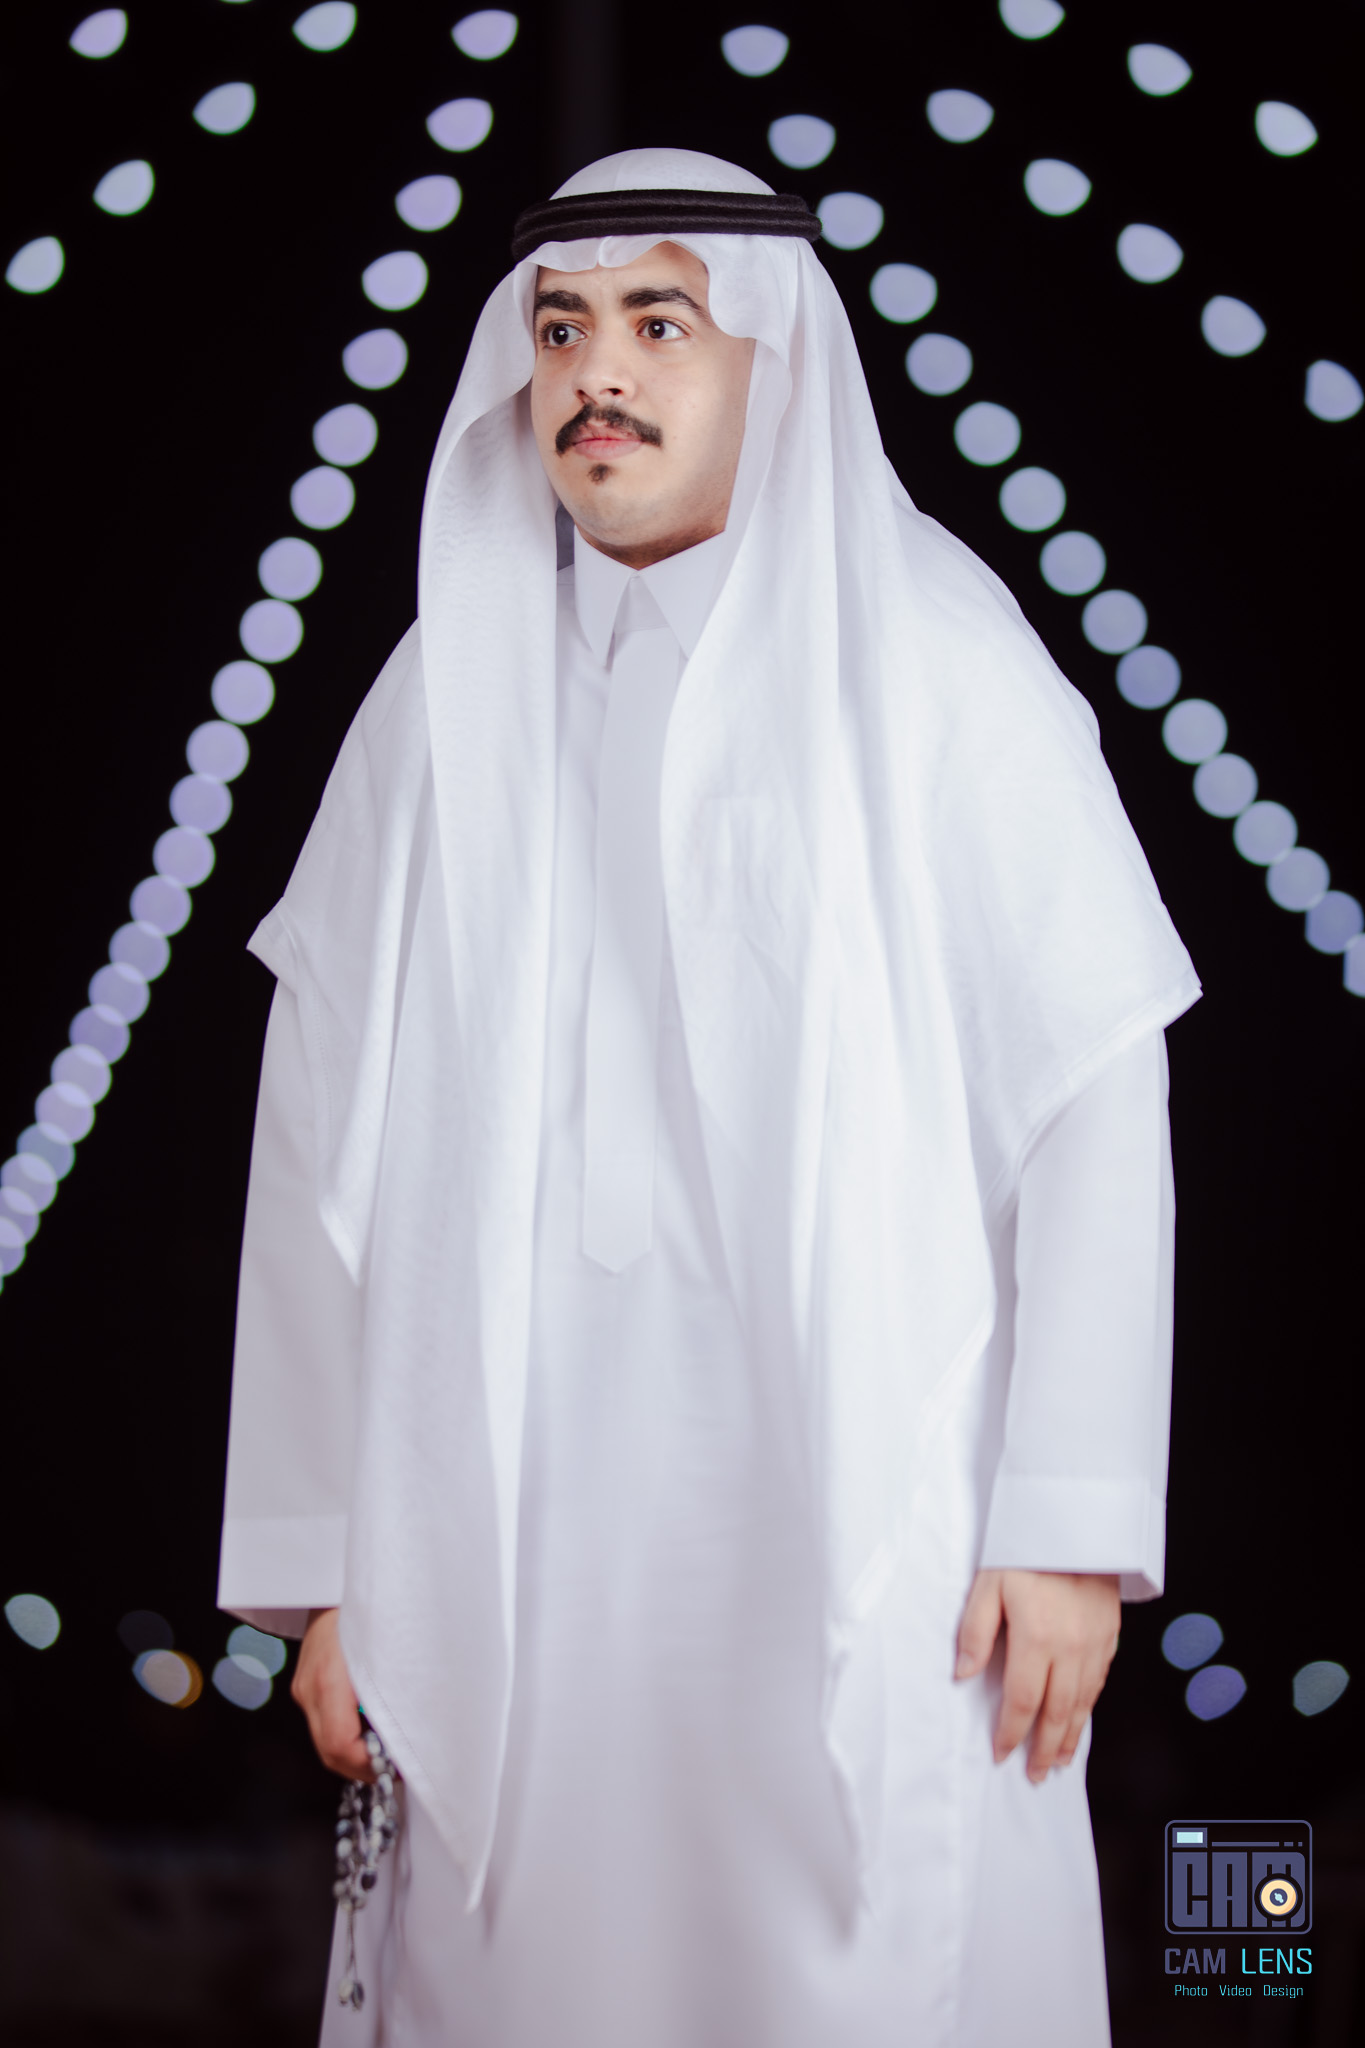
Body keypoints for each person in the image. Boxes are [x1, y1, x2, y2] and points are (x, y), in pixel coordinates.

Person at [218, 148, 1198, 2046]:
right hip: (500, 1543)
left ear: (775, 358)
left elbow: (1090, 1085)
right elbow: (311, 1124)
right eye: (562, 329)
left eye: (660, 324)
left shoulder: (933, 663)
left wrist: (1068, 1516)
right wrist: (326, 1562)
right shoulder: (439, 703)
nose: (598, 372)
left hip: (869, 1526)